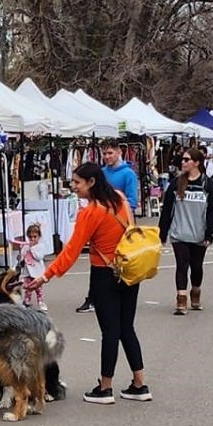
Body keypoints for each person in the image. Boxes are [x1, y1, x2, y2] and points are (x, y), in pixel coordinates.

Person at [26, 162, 151, 405]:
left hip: (104, 274)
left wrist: (45, 275)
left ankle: (105, 387)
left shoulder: (91, 211)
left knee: (110, 332)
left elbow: (72, 250)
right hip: (129, 270)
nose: (73, 187)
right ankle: (139, 383)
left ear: (91, 183)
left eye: (77, 183)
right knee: (127, 328)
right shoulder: (120, 199)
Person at [76, 142, 140, 314]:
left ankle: (118, 294)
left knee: (117, 261)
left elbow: (132, 200)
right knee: (99, 261)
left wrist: (119, 214)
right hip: (101, 222)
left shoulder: (128, 174)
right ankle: (93, 298)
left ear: (119, 152)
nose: (107, 157)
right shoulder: (102, 173)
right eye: (104, 153)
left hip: (120, 224)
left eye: (110, 153)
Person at [158, 148, 213, 315]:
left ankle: (196, 292)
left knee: (196, 267)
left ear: (197, 163)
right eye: (182, 160)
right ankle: (181, 300)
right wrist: (162, 233)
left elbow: (212, 212)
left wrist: (210, 233)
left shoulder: (208, 185)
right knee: (182, 265)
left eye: (186, 160)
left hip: (199, 234)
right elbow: (167, 210)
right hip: (179, 233)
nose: (183, 162)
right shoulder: (176, 184)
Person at [12, 223, 48, 311]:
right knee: (28, 287)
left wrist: (32, 249)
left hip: (37, 272)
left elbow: (39, 257)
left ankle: (41, 302)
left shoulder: (40, 246)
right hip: (28, 272)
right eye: (30, 237)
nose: (32, 239)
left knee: (38, 289)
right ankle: (26, 302)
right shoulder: (26, 246)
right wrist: (20, 257)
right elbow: (23, 256)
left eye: (35, 237)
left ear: (39, 236)